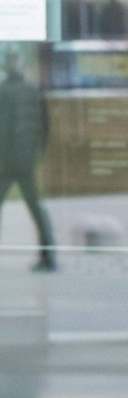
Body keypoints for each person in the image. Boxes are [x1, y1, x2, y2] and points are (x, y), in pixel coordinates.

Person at [0, 49, 56, 272]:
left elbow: (2, 129)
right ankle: (48, 256)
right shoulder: (33, 90)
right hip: (26, 160)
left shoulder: (3, 91)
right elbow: (45, 127)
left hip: (7, 161)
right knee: (36, 208)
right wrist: (36, 154)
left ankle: (48, 256)